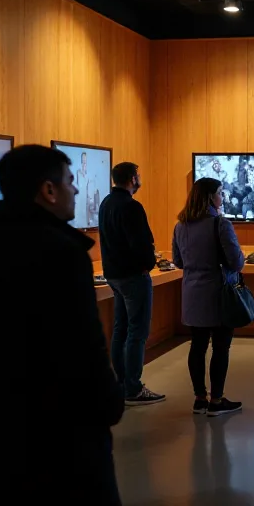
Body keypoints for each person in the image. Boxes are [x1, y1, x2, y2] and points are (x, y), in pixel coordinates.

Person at [0, 145, 125, 504]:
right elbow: (83, 349)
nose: (75, 190)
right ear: (48, 190)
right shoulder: (61, 254)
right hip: (60, 442)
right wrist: (109, 403)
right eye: (70, 182)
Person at [172, 177, 245, 417]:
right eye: (221, 193)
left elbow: (178, 261)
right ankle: (216, 399)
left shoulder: (180, 225)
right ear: (211, 197)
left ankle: (199, 398)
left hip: (192, 294)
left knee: (198, 346)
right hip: (218, 294)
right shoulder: (220, 224)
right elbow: (235, 262)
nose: (223, 198)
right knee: (221, 348)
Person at [98, 162, 164, 406]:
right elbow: (141, 243)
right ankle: (133, 388)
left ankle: (121, 383)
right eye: (138, 175)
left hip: (113, 275)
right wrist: (149, 263)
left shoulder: (106, 203)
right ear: (131, 179)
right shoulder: (131, 207)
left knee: (120, 329)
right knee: (137, 332)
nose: (140, 178)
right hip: (133, 276)